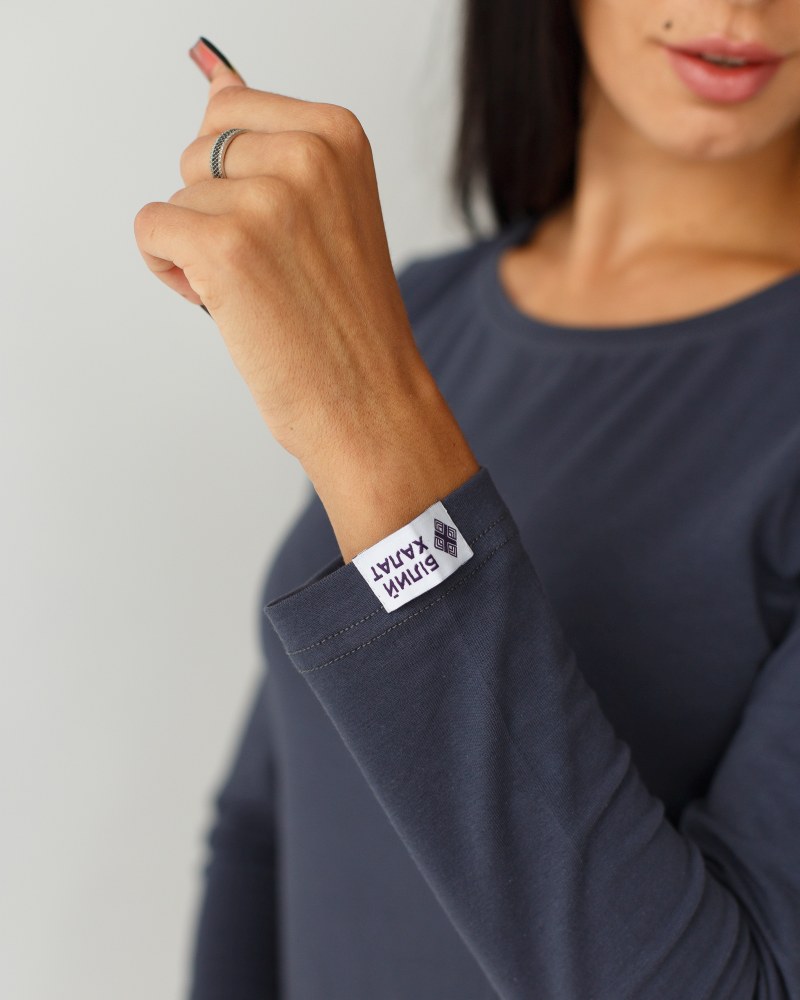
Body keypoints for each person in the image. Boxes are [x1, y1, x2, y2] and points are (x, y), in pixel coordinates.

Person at [184, 1, 800, 997]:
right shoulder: (423, 311)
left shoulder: (379, 361)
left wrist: (373, 428)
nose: (741, 7)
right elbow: (270, 821)